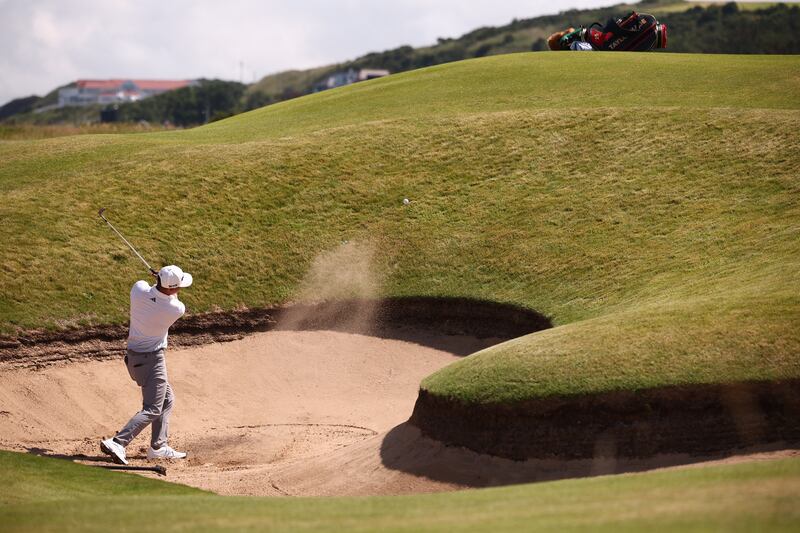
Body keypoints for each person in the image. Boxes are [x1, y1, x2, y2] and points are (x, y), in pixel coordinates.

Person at [100, 265, 193, 464]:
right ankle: (118, 442)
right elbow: (170, 298)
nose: (180, 290)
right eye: (178, 287)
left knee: (167, 399)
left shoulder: (138, 290)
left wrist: (158, 281)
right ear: (172, 289)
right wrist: (161, 283)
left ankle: (158, 446)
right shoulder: (176, 308)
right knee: (152, 408)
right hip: (152, 361)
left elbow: (154, 290)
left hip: (134, 359)